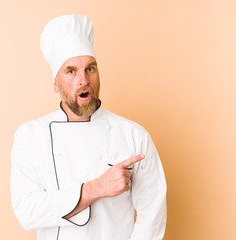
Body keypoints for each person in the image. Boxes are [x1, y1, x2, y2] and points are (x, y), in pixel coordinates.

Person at [10, 14, 167, 240]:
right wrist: (96, 188)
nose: (83, 80)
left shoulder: (134, 136)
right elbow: (27, 211)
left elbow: (153, 212)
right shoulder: (30, 137)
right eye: (71, 71)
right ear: (56, 83)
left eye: (90, 69)